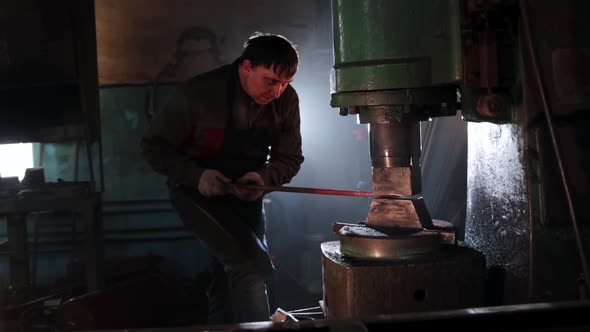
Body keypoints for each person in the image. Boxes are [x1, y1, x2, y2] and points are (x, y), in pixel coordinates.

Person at [140, 32, 304, 324]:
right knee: (251, 268)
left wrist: (262, 177)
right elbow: (153, 147)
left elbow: (289, 158)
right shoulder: (199, 94)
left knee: (231, 272)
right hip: (195, 193)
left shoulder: (286, 101)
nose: (277, 92)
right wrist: (197, 175)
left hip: (246, 195)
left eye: (285, 84)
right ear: (246, 67)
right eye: (271, 81)